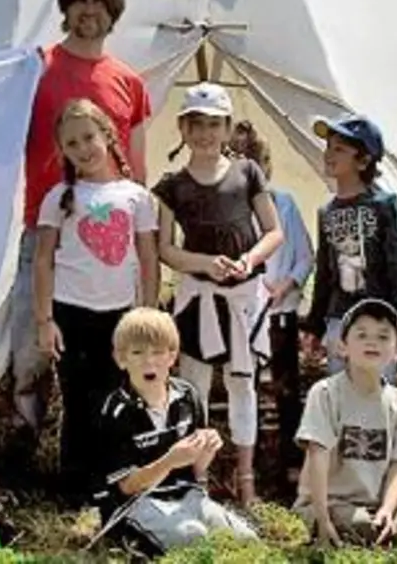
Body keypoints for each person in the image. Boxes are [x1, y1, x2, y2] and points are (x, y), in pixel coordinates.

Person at [11, 0, 152, 437]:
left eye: (99, 1)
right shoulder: (37, 69)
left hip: (109, 244)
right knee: (32, 347)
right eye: (80, 0)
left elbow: (137, 168)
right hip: (46, 231)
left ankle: (106, 446)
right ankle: (27, 442)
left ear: (113, 12)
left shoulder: (128, 82)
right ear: (65, 8)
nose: (89, 10)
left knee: (107, 352)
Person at [153, 82, 283, 505]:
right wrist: (205, 263)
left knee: (243, 384)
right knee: (194, 387)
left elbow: (273, 231)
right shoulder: (172, 185)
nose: (205, 133)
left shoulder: (247, 172)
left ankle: (246, 479)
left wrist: (248, 259)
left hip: (243, 297)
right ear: (183, 128)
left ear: (226, 128)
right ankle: (198, 478)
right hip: (199, 298)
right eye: (196, 124)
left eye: (214, 125)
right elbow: (165, 248)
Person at [33, 98, 160, 502]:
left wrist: (148, 312)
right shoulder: (59, 197)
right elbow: (43, 260)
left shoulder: (136, 197)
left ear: (107, 135)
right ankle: (75, 490)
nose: (83, 149)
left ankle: (115, 484)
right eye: (72, 144)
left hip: (120, 316)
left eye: (89, 137)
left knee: (116, 397)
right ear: (63, 151)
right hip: (72, 313)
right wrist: (45, 319)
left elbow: (148, 257)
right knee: (77, 399)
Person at [94, 307, 257, 554]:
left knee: (247, 539)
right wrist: (169, 461)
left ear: (172, 356)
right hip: (136, 503)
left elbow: (196, 471)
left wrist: (206, 449)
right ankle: (133, 543)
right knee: (192, 537)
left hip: (186, 495)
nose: (149, 362)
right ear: (121, 359)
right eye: (137, 353)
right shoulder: (117, 411)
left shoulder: (187, 396)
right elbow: (127, 486)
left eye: (157, 352)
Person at [228, 120, 314, 494]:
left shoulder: (283, 203)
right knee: (247, 387)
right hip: (242, 313)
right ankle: (252, 465)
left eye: (255, 162)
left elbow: (305, 255)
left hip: (279, 311)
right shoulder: (226, 207)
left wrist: (287, 284)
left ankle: (291, 464)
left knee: (285, 389)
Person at [294, 298, 397, 547]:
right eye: (362, 335)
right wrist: (322, 518)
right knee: (361, 526)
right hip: (328, 503)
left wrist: (388, 509)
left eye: (383, 337)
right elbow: (318, 455)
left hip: (374, 505)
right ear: (343, 347)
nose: (372, 342)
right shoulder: (326, 393)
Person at [302, 114, 397, 380]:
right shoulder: (327, 211)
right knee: (340, 390)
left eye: (340, 149)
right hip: (338, 318)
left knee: (377, 389)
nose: (329, 154)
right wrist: (315, 326)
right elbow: (324, 273)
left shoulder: (383, 204)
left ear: (363, 161)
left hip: (378, 315)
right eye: (329, 147)